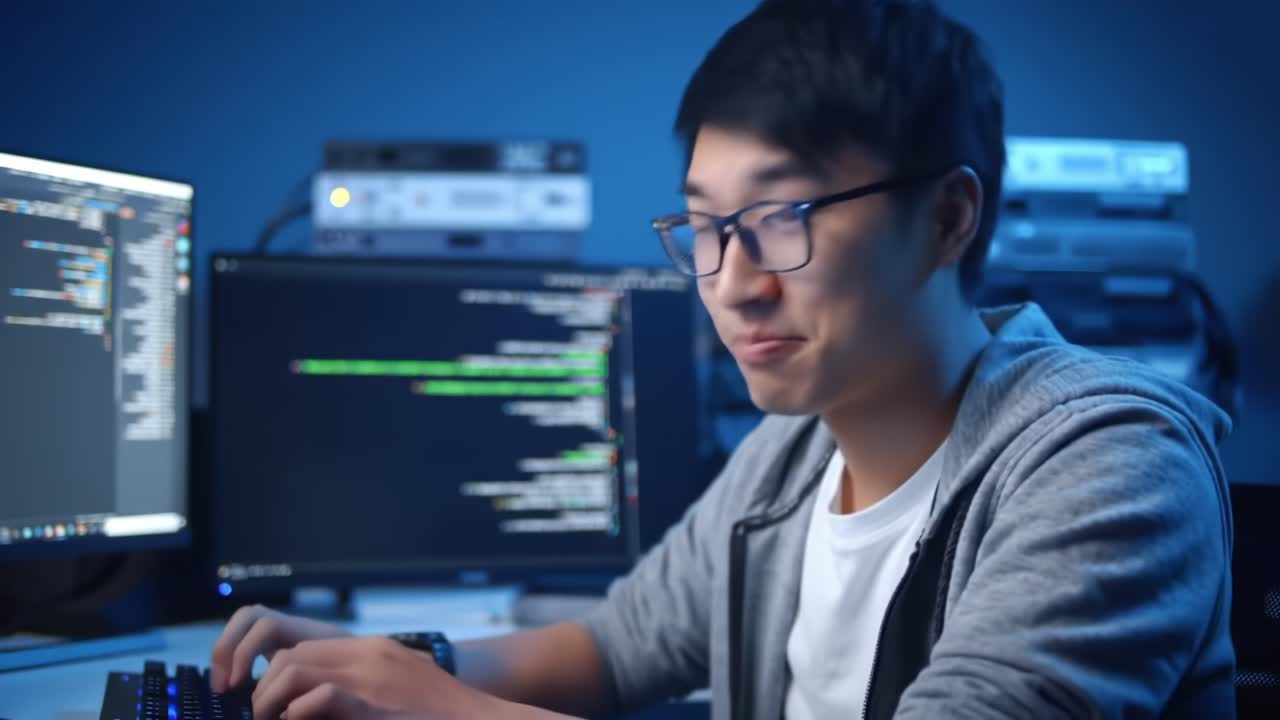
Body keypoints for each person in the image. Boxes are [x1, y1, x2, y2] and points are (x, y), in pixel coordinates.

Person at [209, 0, 1236, 717]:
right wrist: (394, 663)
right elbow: (611, 650)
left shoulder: (1108, 464)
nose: (732, 281)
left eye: (781, 217)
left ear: (946, 217)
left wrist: (442, 712)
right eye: (704, 226)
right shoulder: (787, 456)